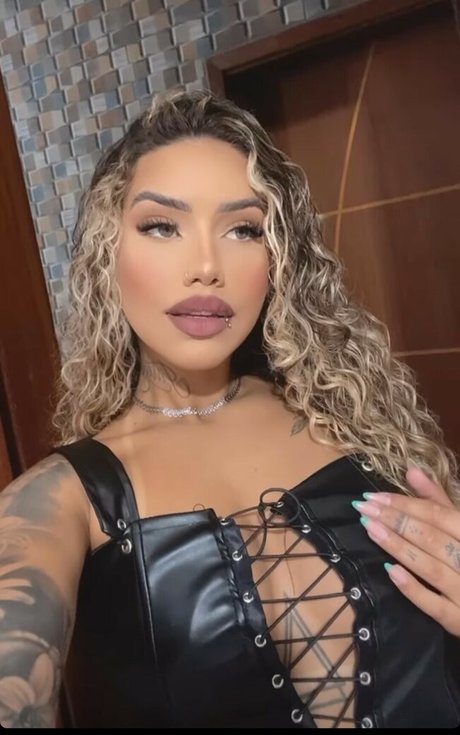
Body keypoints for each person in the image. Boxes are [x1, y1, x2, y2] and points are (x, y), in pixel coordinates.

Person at [0, 88, 459, 730]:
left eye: (243, 229)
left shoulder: (357, 423)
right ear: (108, 254)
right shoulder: (62, 502)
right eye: (162, 226)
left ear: (279, 257)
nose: (205, 266)